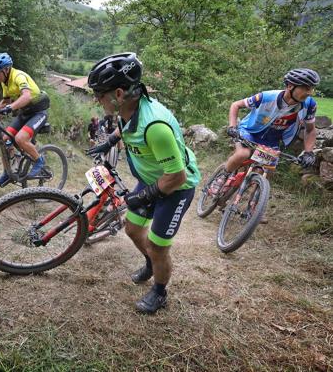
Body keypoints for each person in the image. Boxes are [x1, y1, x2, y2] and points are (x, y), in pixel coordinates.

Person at [86, 52, 201, 314]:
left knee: (158, 246)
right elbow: (127, 126)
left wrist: (146, 195)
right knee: (132, 229)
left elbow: (178, 176)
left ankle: (160, 292)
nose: (96, 99)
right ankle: (151, 263)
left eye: (99, 94)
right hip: (152, 181)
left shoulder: (155, 127)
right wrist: (111, 140)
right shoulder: (130, 107)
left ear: (118, 93)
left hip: (176, 188)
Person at [212, 68, 320, 192]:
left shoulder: (309, 105)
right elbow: (235, 105)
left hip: (271, 140)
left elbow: (310, 130)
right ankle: (222, 177)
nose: (310, 92)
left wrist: (309, 152)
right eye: (306, 88)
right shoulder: (266, 97)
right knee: (243, 154)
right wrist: (232, 127)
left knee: (265, 171)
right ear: (290, 86)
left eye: (311, 88)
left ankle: (253, 204)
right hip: (250, 131)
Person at [0, 52, 50, 186]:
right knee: (4, 140)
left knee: (20, 138)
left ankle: (39, 160)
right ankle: (8, 173)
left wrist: (10, 107)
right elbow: (5, 101)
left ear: (6, 70)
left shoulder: (18, 76)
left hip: (38, 113)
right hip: (25, 113)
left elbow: (26, 96)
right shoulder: (5, 81)